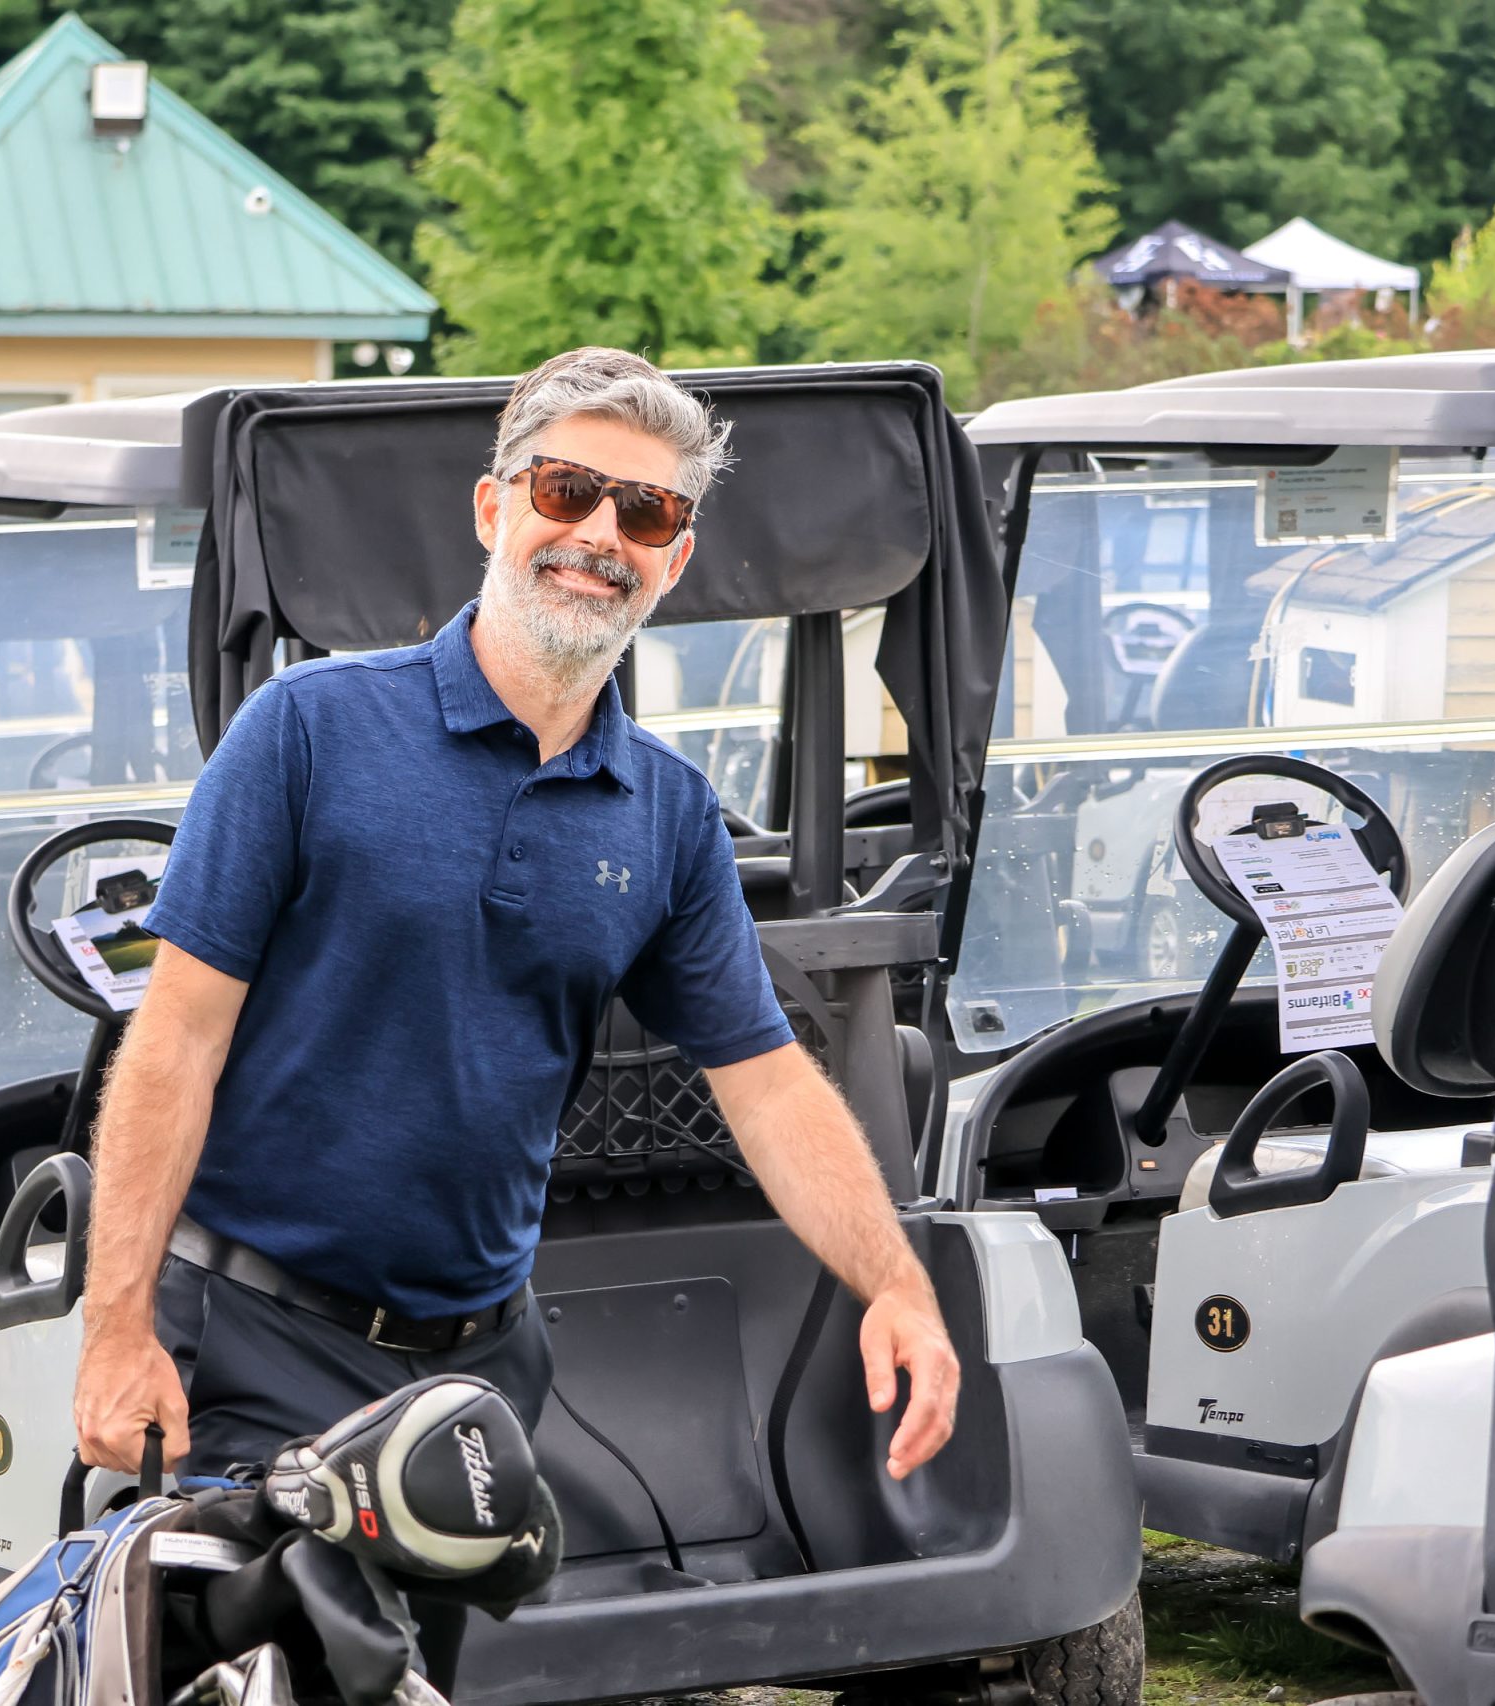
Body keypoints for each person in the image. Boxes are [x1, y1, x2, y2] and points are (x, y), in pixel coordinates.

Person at [72, 347, 960, 1685]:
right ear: (495, 507)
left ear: (674, 558)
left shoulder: (667, 815)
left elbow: (770, 1083)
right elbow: (174, 1043)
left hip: (473, 1376)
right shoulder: (306, 731)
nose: (601, 534)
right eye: (567, 491)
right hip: (251, 1343)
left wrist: (896, 1284)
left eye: (644, 512)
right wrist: (116, 1326)